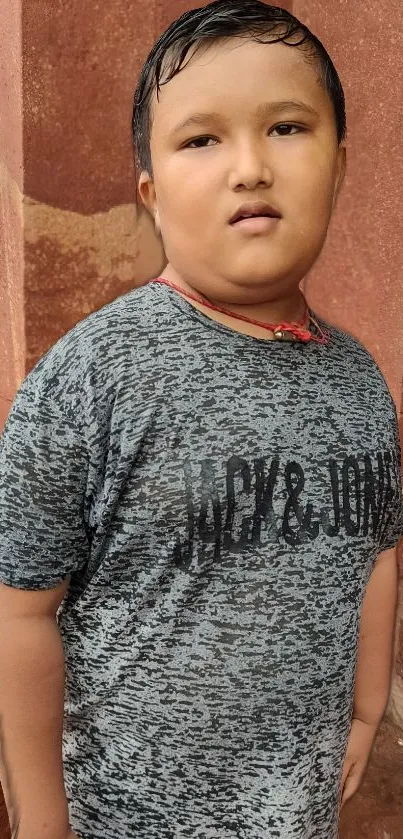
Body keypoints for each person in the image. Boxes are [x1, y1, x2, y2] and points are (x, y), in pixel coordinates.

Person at [0, 1, 402, 838]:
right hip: (126, 819)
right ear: (149, 192)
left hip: (298, 809)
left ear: (336, 166)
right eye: (201, 139)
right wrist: (40, 814)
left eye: (287, 127)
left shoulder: (360, 382)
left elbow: (376, 554)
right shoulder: (90, 379)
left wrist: (365, 713)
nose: (249, 167)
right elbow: (21, 609)